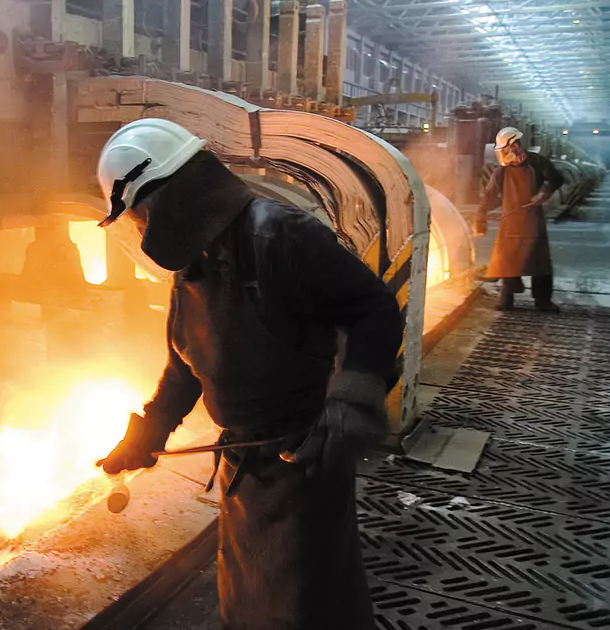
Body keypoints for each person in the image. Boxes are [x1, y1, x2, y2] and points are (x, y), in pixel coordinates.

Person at [94, 118, 402, 630]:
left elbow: (373, 308)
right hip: (244, 463)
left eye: (136, 217)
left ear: (163, 200)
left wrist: (351, 399)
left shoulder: (278, 236)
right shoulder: (195, 265)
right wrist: (149, 429)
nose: (138, 229)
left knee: (307, 605)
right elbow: (185, 364)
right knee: (251, 598)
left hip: (303, 457)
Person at [475, 127, 565, 312]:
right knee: (507, 260)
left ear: (517, 145)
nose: (512, 153)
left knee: (539, 262)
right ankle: (507, 297)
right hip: (511, 222)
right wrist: (480, 221)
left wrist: (544, 192)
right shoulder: (501, 172)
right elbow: (488, 196)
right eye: (506, 151)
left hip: (534, 221)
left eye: (512, 147)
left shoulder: (538, 162)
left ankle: (542, 300)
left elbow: (557, 178)